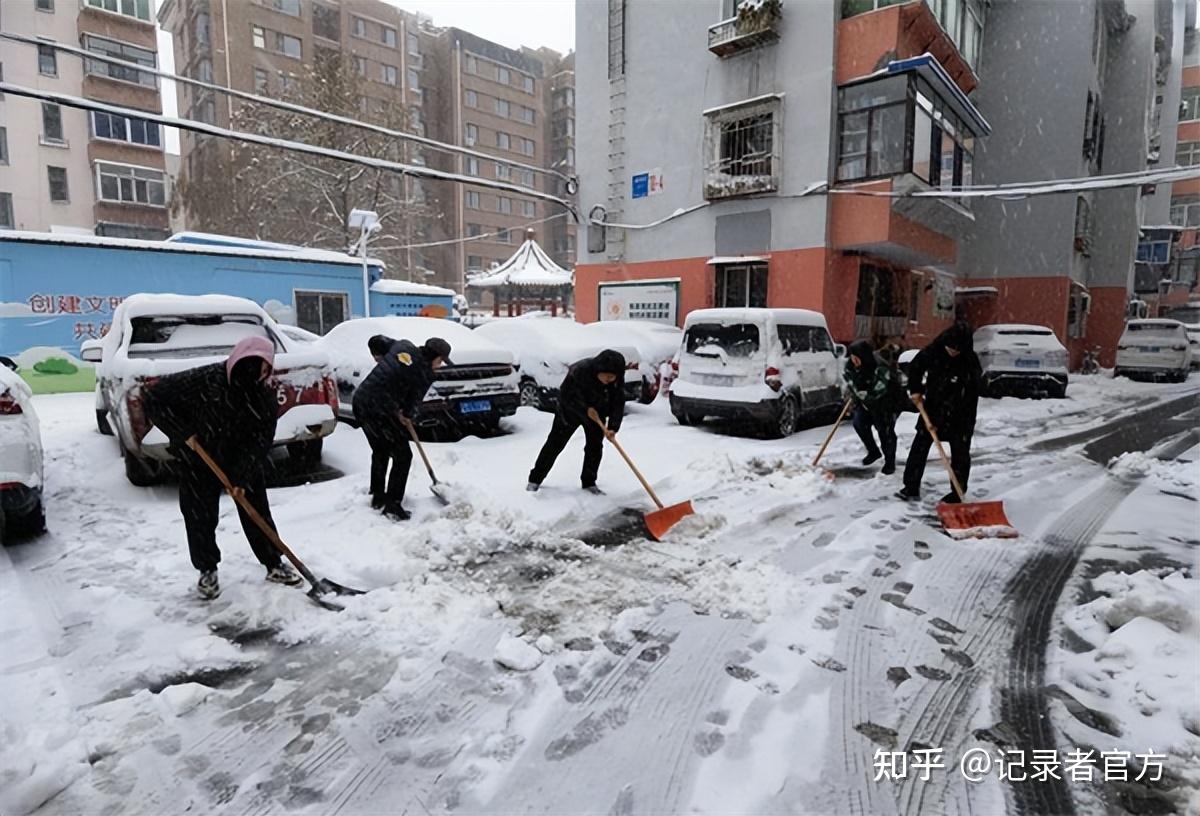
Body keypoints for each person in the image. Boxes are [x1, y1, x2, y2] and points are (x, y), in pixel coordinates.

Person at [143, 335, 302, 600]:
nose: (266, 372)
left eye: (267, 367)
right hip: (199, 456)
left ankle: (273, 563)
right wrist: (184, 433)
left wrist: (242, 477)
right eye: (263, 366)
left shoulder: (264, 396)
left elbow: (261, 442)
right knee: (199, 515)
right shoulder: (204, 379)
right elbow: (154, 398)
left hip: (240, 457)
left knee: (257, 512)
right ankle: (207, 569)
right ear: (245, 363)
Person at [352, 336, 451, 519]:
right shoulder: (424, 373)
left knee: (380, 449)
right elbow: (412, 405)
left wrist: (385, 363)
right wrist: (406, 415)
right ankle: (393, 506)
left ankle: (378, 496)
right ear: (434, 357)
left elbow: (378, 342)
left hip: (361, 401)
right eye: (441, 361)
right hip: (379, 409)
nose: (440, 365)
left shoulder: (403, 345)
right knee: (403, 456)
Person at [896, 322, 981, 503]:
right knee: (920, 445)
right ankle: (910, 486)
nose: (952, 352)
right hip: (933, 407)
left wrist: (955, 413)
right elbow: (916, 368)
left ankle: (957, 492)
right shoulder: (934, 350)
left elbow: (971, 395)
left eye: (957, 350)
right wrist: (916, 390)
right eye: (950, 348)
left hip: (961, 414)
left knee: (960, 452)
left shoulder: (970, 363)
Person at [527, 349, 626, 494]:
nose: (610, 380)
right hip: (569, 411)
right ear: (600, 369)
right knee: (555, 444)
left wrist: (613, 427)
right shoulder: (580, 371)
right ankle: (535, 479)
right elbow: (566, 396)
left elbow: (618, 402)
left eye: (613, 377)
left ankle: (589, 482)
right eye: (608, 376)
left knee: (594, 447)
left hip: (597, 414)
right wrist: (585, 409)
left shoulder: (615, 380)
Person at [843, 339, 898, 475]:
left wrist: (863, 395)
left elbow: (879, 390)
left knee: (884, 431)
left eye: (856, 358)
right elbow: (851, 382)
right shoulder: (850, 366)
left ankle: (890, 462)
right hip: (864, 402)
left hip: (885, 402)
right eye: (852, 357)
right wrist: (856, 395)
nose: (854, 361)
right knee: (859, 423)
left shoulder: (880, 367)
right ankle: (873, 451)